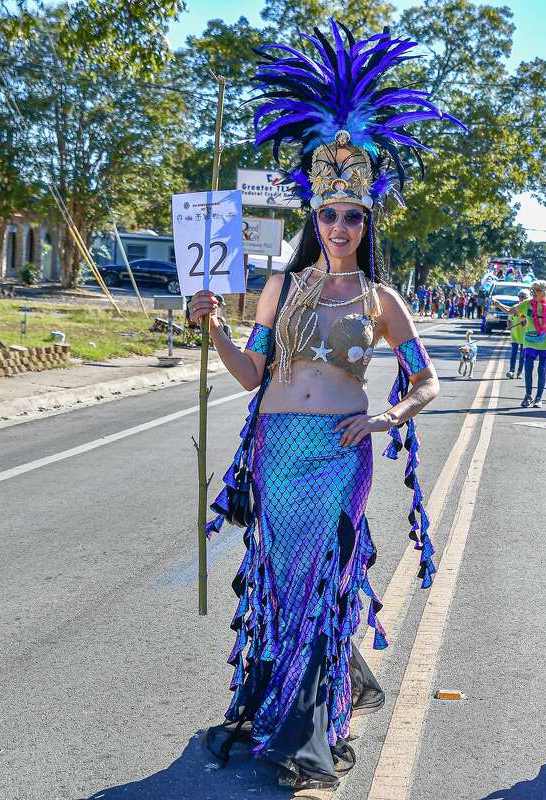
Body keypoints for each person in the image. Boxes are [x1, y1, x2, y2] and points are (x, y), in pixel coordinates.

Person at [188, 21, 461, 797]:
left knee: (322, 581)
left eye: (353, 216)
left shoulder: (383, 300)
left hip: (342, 450)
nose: (340, 226)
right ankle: (298, 697)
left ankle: (309, 730)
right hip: (277, 450)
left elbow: (426, 382)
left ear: (368, 222)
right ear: (314, 217)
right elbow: (250, 374)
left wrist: (387, 418)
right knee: (283, 581)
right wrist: (210, 325)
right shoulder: (282, 287)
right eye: (329, 213)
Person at [493, 279, 546, 407]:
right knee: (528, 367)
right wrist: (499, 305)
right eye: (532, 290)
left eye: (536, 290)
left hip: (545, 341)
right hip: (529, 341)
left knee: (542, 369)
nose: (533, 292)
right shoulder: (527, 304)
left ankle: (539, 398)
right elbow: (510, 311)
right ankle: (528, 396)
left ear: (543, 292)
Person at [506, 288, 530, 379]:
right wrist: (509, 325)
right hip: (515, 335)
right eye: (520, 297)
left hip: (525, 336)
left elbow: (527, 320)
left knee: (522, 355)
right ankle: (511, 371)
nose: (522, 299)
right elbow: (509, 320)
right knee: (513, 354)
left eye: (524, 297)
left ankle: (519, 372)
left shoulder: (528, 309)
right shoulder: (515, 308)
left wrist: (524, 321)